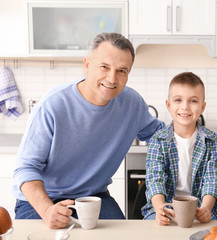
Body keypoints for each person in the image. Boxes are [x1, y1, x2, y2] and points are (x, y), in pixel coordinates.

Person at [12, 32, 165, 229]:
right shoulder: (53, 105)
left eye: (122, 70)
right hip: (43, 200)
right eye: (104, 67)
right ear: (87, 64)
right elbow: (25, 168)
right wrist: (47, 209)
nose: (112, 78)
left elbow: (163, 137)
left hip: (94, 197)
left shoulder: (132, 104)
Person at [142, 72, 217, 225]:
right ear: (169, 105)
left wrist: (206, 209)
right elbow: (155, 179)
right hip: (165, 207)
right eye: (178, 100)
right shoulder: (158, 141)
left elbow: (212, 181)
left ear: (202, 107)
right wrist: (160, 208)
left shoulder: (212, 142)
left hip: (200, 209)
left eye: (193, 101)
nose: (185, 107)